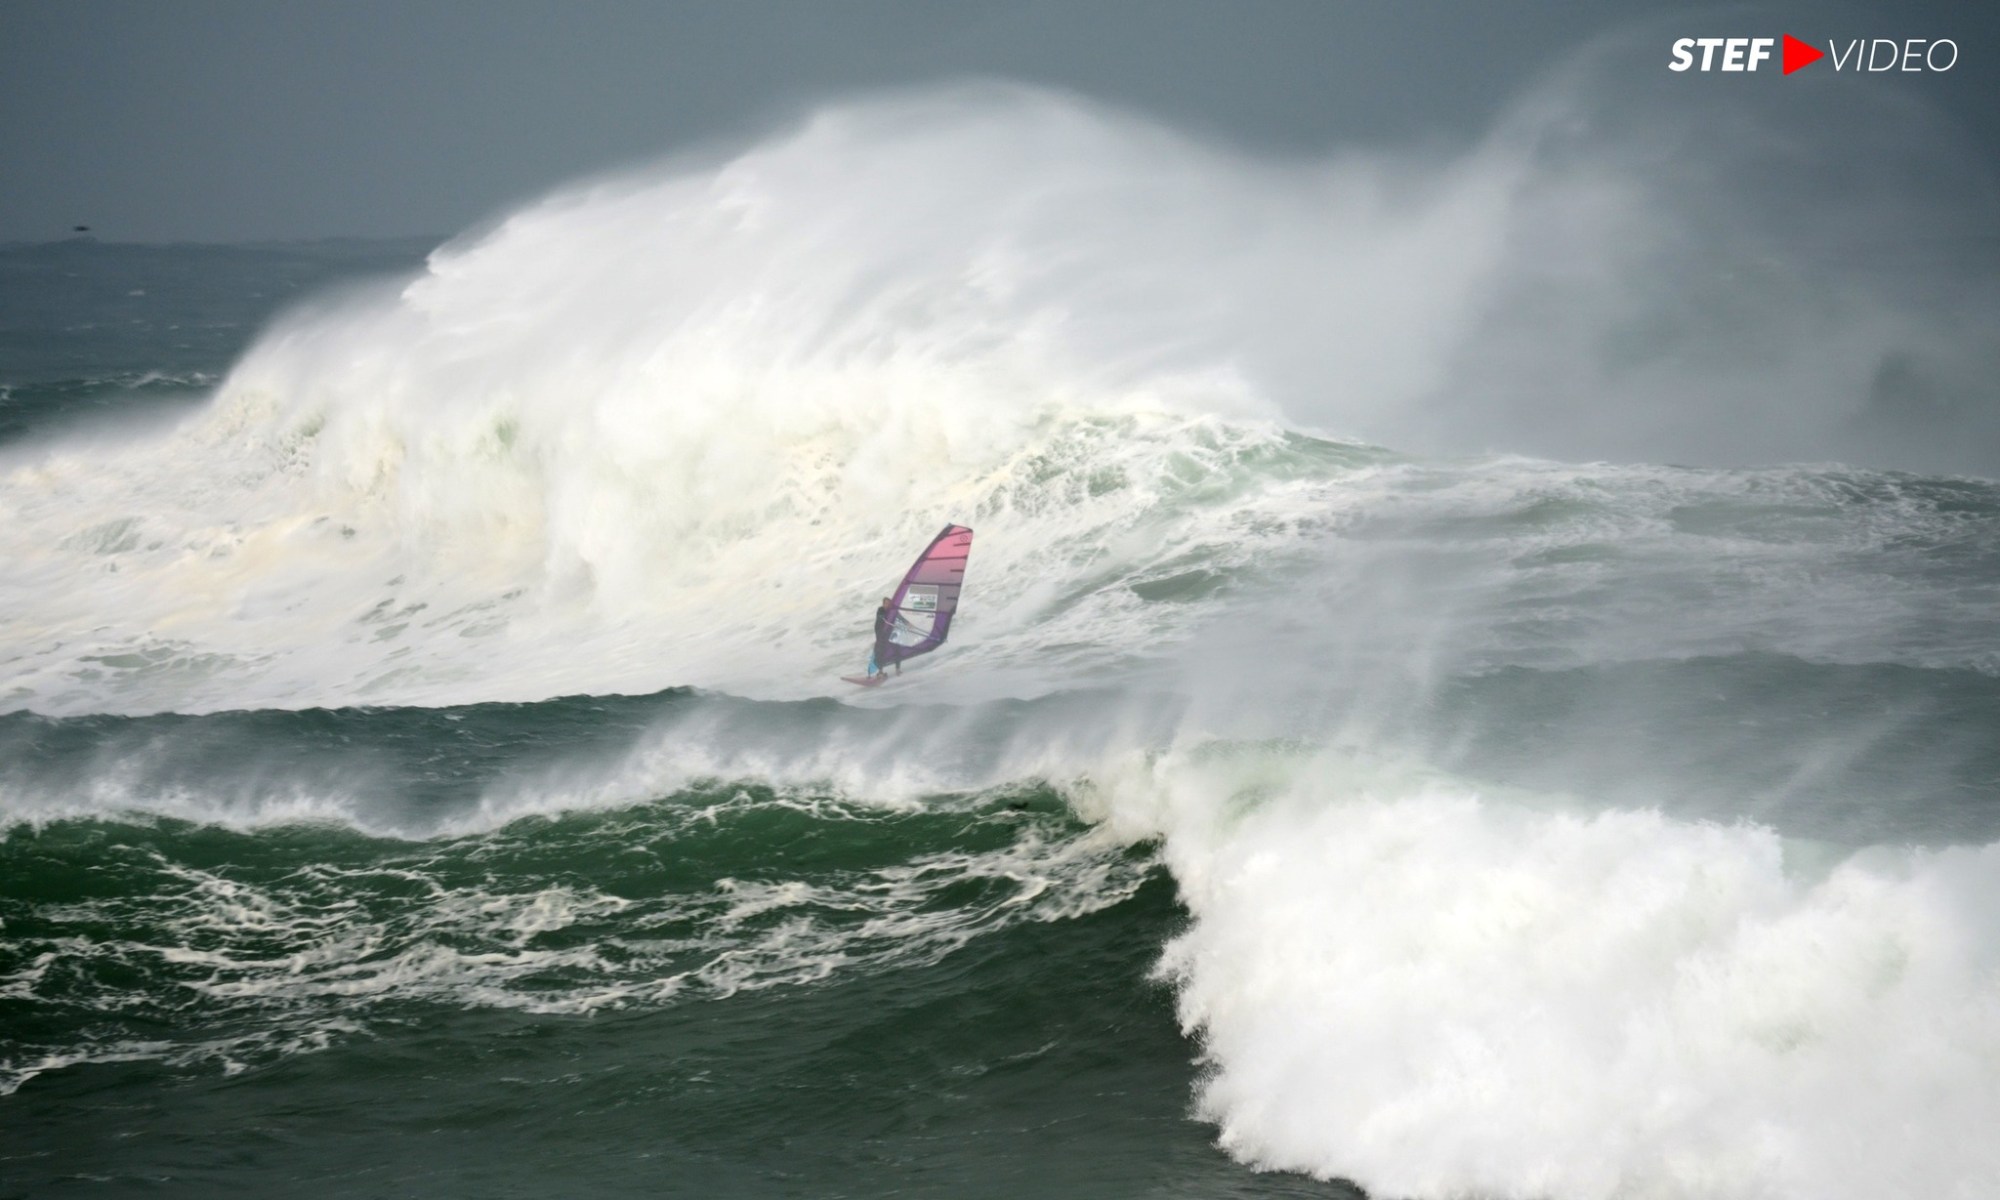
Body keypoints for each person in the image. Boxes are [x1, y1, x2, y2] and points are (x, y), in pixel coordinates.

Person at [872, 596, 904, 677]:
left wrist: (908, 624)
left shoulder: (893, 611)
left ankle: (898, 669)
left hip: (890, 633)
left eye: (889, 603)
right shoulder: (880, 610)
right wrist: (886, 617)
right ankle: (880, 672)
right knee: (880, 652)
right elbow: (880, 617)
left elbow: (900, 618)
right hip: (881, 634)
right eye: (885, 603)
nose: (887, 605)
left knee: (897, 649)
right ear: (883, 604)